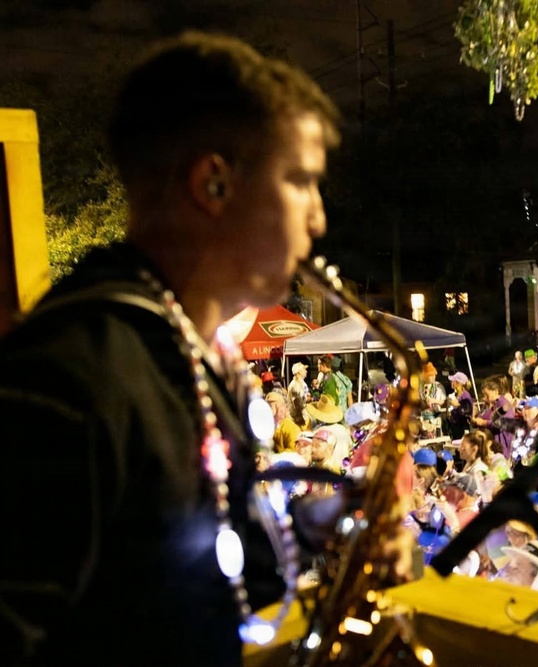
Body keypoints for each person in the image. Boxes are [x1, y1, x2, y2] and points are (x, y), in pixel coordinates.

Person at [0, 31, 356, 666]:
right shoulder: (70, 376)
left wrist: (310, 530)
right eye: (300, 180)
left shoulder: (201, 353)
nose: (319, 218)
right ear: (213, 184)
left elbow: (172, 569)